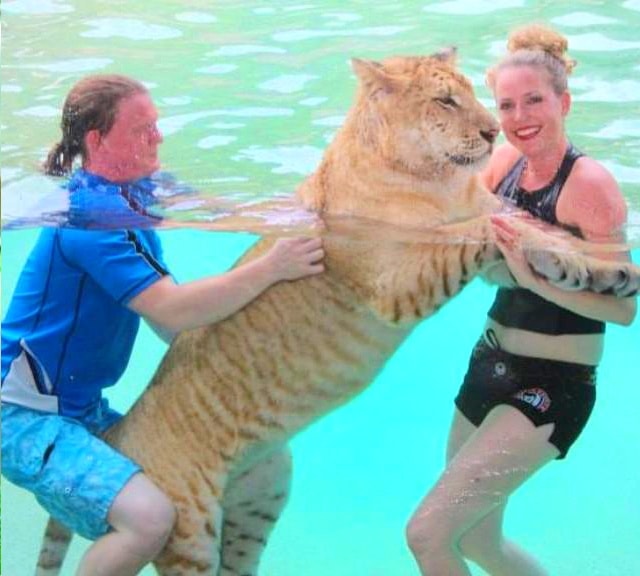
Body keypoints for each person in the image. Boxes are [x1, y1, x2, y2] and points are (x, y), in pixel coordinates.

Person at [0, 74, 324, 576]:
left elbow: (227, 216)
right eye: (142, 129)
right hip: (21, 418)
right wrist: (272, 267)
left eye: (156, 124)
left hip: (81, 410)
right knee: (149, 519)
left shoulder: (145, 191)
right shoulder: (89, 222)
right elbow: (170, 310)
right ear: (97, 141)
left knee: (242, 471)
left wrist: (308, 212)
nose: (159, 137)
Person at [405, 24, 637, 575]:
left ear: (564, 101)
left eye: (534, 100)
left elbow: (625, 307)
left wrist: (533, 280)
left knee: (427, 535)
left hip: (549, 387)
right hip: (487, 365)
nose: (519, 116)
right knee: (479, 544)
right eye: (507, 104)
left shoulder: (590, 186)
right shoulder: (504, 162)